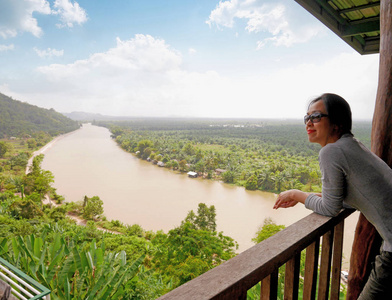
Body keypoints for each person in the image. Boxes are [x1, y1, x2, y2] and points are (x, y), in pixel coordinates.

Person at [273, 93, 392, 299]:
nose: (309, 122)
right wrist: (313, 195)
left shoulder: (331, 152)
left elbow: (330, 208)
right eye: (307, 117)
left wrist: (297, 194)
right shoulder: (353, 145)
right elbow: (352, 197)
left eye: (316, 116)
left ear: (336, 124)